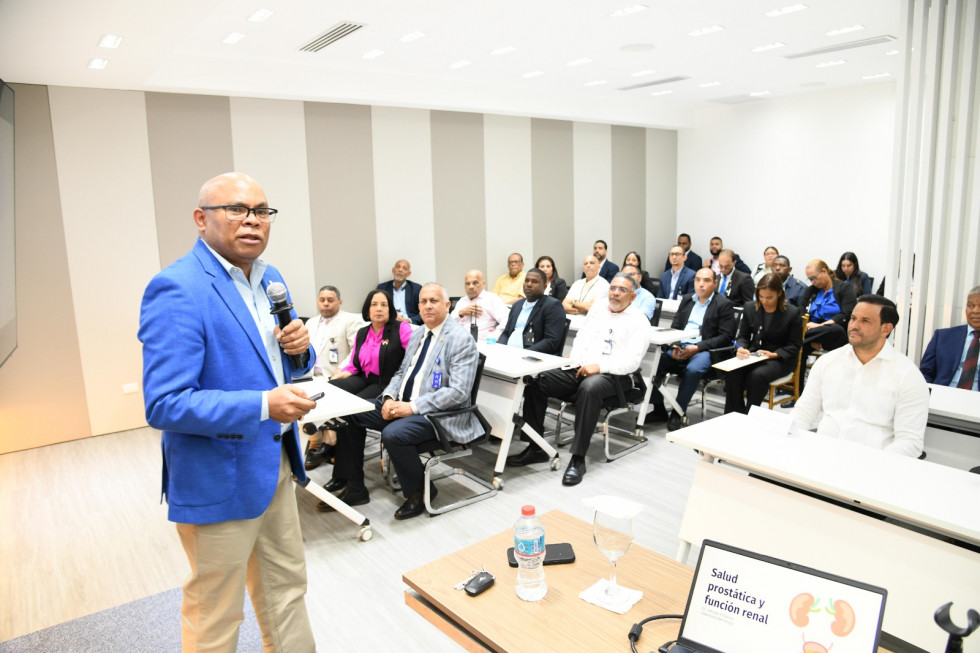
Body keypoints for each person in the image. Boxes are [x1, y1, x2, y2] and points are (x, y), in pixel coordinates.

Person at [138, 172, 317, 651]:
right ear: (202, 219)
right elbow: (165, 402)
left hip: (276, 463)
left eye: (261, 211)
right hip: (218, 474)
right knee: (216, 613)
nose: (252, 220)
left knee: (287, 591)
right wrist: (263, 405)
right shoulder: (177, 287)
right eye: (236, 209)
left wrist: (300, 349)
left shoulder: (271, 279)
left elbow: (283, 363)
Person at [343, 283, 480, 520]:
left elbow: (458, 392)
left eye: (434, 301)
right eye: (423, 301)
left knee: (394, 434)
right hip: (403, 404)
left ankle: (420, 492)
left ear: (447, 305)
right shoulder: (418, 334)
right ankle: (355, 487)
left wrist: (412, 407)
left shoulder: (460, 339)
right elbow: (400, 373)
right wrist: (388, 398)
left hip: (437, 414)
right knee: (352, 412)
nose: (428, 306)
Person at [506, 273, 650, 485]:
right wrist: (574, 359)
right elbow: (582, 338)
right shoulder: (599, 309)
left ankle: (578, 458)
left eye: (622, 290)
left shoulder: (639, 321)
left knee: (590, 388)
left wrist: (599, 367)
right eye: (613, 288)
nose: (615, 293)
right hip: (581, 367)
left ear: (633, 296)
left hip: (615, 375)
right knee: (536, 379)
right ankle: (536, 447)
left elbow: (632, 363)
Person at [792, 295, 929, 457]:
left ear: (885, 329)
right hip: (821, 456)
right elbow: (803, 412)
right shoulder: (828, 362)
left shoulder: (907, 376)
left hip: (874, 464)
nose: (854, 326)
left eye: (865, 321)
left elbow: (910, 442)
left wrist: (873, 465)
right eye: (853, 318)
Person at [318, 289, 413, 511]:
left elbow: (413, 360)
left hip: (387, 383)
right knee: (331, 390)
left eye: (383, 304)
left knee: (350, 412)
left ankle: (352, 484)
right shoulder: (363, 332)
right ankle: (342, 474)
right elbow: (355, 362)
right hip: (364, 378)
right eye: (374, 304)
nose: (378, 309)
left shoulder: (401, 329)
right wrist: (344, 372)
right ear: (367, 309)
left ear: (390, 308)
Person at [648, 268, 736, 431]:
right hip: (681, 346)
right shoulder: (688, 299)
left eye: (706, 280)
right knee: (655, 363)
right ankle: (659, 409)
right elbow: (675, 326)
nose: (701, 284)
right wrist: (674, 344)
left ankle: (678, 411)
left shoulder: (723, 304)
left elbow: (725, 337)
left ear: (715, 283)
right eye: (698, 280)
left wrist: (697, 347)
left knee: (694, 369)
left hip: (705, 350)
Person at [304, 285, 365, 470]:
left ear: (340, 301)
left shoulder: (350, 321)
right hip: (311, 374)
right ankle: (315, 441)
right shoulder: (310, 323)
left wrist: (341, 369)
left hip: (335, 374)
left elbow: (356, 350)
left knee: (326, 392)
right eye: (322, 300)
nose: (326, 304)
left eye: (330, 300)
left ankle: (327, 443)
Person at [723, 274, 803, 414]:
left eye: (769, 297)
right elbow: (743, 336)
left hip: (780, 358)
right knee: (732, 371)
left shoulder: (792, 313)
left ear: (779, 293)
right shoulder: (750, 307)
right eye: (761, 296)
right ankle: (735, 413)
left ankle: (750, 414)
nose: (764, 301)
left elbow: (795, 345)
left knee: (757, 376)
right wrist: (741, 348)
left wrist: (775, 354)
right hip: (756, 354)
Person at [792, 259, 858, 398]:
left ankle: (795, 340)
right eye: (810, 279)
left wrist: (820, 326)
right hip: (812, 335)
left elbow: (846, 314)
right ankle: (798, 393)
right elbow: (801, 312)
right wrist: (811, 330)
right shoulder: (811, 291)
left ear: (824, 271)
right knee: (800, 349)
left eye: (814, 278)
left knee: (834, 329)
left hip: (836, 335)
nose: (813, 282)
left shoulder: (844, 288)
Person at [920, 285, 980, 390]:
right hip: (942, 395)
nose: (975, 311)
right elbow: (925, 373)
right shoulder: (942, 337)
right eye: (970, 305)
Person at [498, 268, 566, 355]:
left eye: (534, 282)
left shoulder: (552, 306)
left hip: (532, 357)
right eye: (527, 281)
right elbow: (506, 332)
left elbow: (551, 341)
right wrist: (501, 348)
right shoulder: (517, 305)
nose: (529, 284)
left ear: (544, 287)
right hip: (508, 354)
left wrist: (524, 353)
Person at [450, 269, 510, 342]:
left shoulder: (492, 299)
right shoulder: (462, 301)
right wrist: (461, 313)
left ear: (483, 284)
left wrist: (494, 337)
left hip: (483, 343)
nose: (471, 287)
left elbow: (506, 320)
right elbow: (449, 324)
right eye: (467, 283)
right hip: (461, 342)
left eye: (475, 283)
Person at [378, 259, 422, 324]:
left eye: (404, 268)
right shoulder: (382, 288)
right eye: (398, 267)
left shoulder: (417, 289)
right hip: (389, 322)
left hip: (409, 323)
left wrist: (409, 320)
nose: (400, 270)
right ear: (393, 270)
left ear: (408, 274)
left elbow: (424, 312)